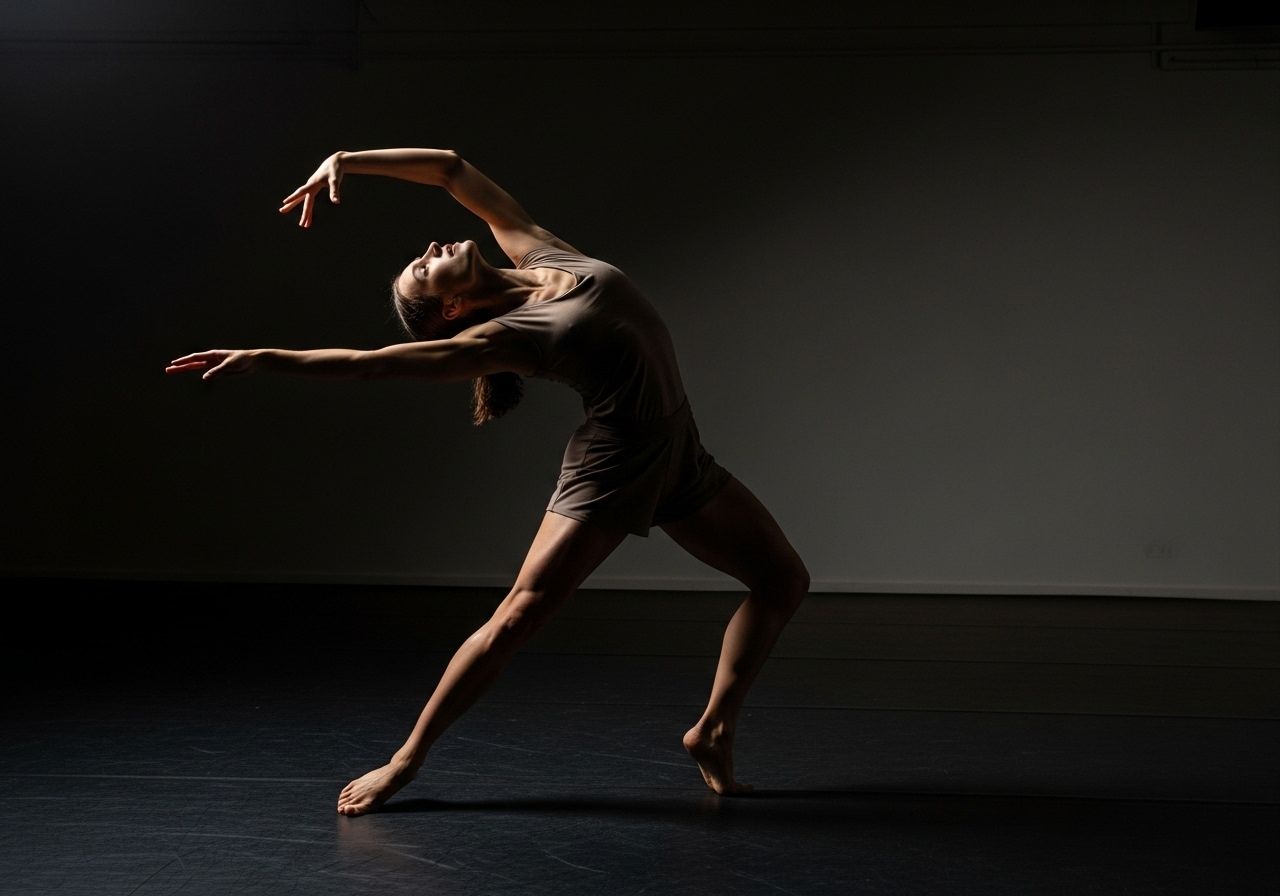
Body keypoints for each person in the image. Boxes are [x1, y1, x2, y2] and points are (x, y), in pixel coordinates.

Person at [165, 147, 810, 816]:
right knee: (520, 613)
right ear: (451, 309)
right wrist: (264, 357)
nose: (429, 249)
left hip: (677, 447)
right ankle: (405, 759)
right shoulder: (503, 339)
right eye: (423, 269)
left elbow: (449, 168)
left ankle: (712, 728)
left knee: (783, 581)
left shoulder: (542, 254)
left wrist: (346, 161)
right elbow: (372, 365)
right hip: (614, 462)